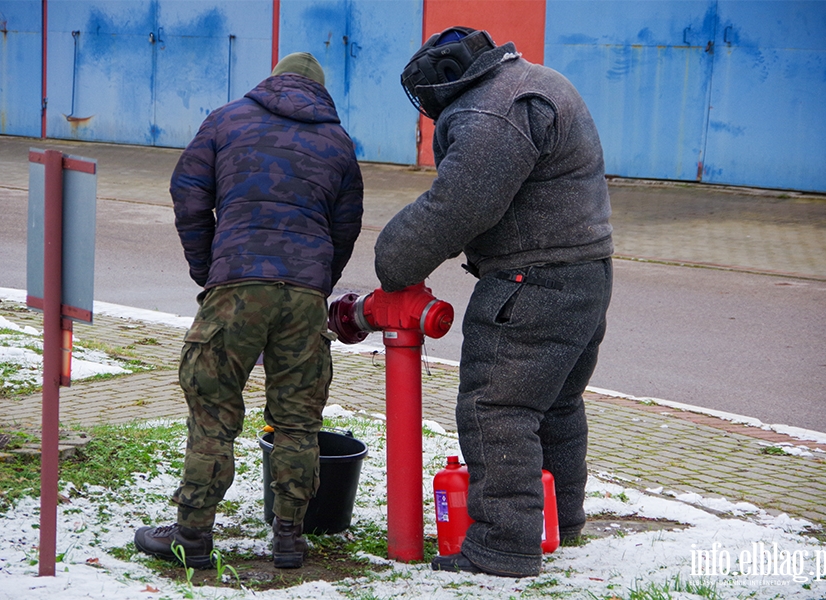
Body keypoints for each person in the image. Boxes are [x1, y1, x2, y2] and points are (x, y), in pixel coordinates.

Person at [376, 27, 613, 577]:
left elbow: (457, 208)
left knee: (497, 407)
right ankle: (560, 522)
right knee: (554, 403)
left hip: (534, 280)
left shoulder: (489, 113)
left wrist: (393, 263)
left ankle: (503, 548)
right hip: (587, 272)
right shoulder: (538, 81)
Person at [134, 52, 364, 570]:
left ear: (274, 79)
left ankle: (192, 536)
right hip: (304, 294)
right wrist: (316, 284)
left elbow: (188, 192)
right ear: (320, 91)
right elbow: (346, 225)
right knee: (298, 420)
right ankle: (289, 538)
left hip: (236, 283)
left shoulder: (227, 118)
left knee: (212, 413)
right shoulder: (338, 141)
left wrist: (208, 265)